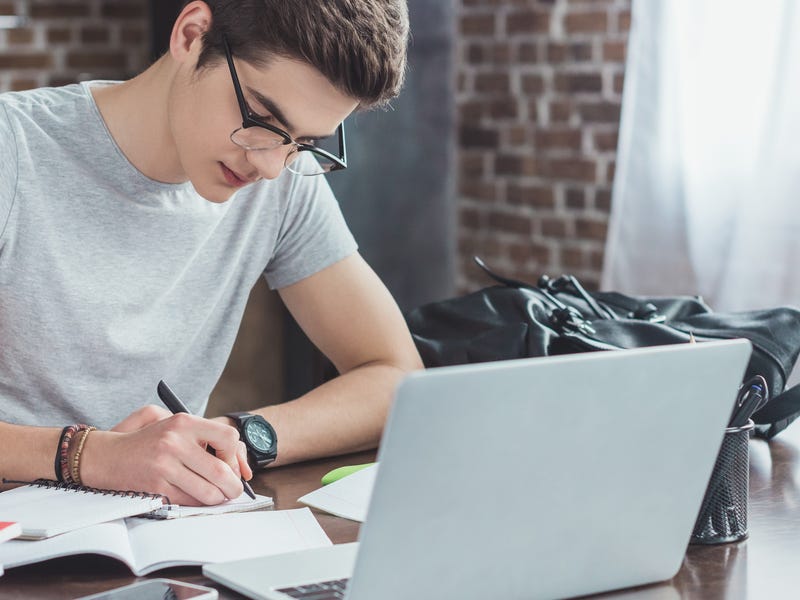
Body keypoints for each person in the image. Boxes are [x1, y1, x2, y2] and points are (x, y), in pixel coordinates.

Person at [0, 0, 422, 506]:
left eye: (304, 142)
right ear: (191, 35)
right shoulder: (14, 153)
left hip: (160, 548)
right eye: (262, 118)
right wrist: (95, 456)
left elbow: (394, 375)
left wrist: (233, 438)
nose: (270, 166)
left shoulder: (282, 181)